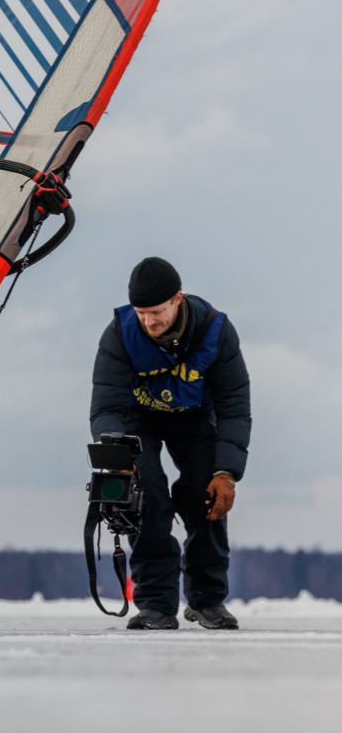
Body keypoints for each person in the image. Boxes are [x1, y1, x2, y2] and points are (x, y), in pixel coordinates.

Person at [90, 257, 251, 629]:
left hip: (195, 417)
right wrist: (116, 458)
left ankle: (207, 601)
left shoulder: (215, 330)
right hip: (139, 419)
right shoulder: (120, 334)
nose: (149, 322)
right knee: (145, 497)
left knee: (207, 497)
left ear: (178, 299)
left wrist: (227, 472)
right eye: (142, 313)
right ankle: (156, 606)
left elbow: (234, 406)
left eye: (157, 312)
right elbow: (107, 406)